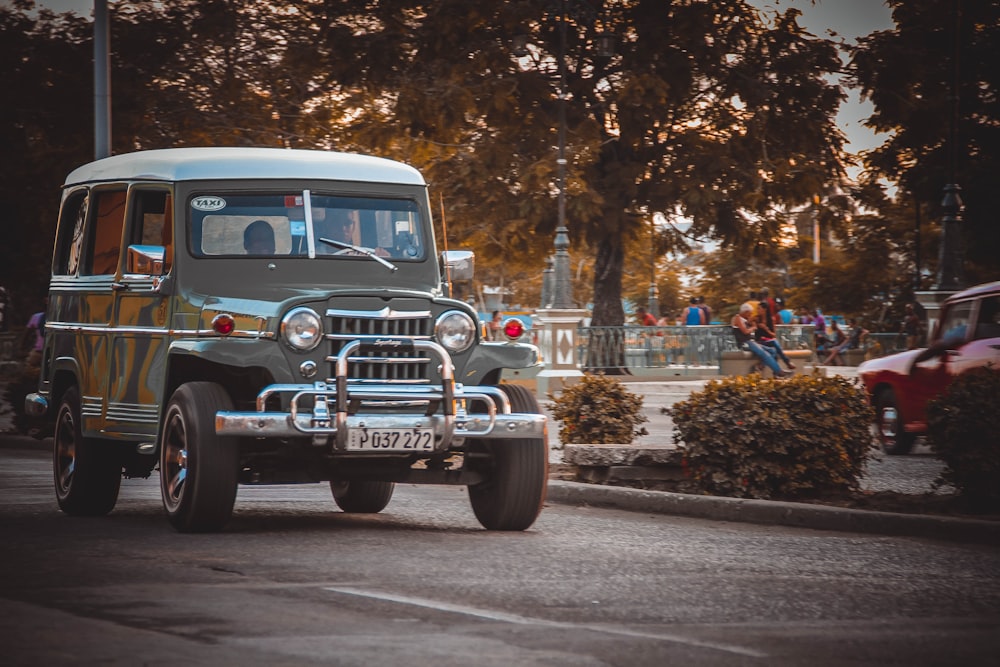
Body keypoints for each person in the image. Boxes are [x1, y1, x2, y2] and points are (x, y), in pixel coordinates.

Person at [731, 303, 791, 378]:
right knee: (765, 354)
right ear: (745, 312)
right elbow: (745, 331)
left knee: (773, 351)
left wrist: (752, 323)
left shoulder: (745, 319)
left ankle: (759, 367)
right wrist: (753, 327)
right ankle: (778, 371)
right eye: (750, 313)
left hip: (751, 341)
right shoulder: (737, 318)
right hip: (745, 342)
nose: (751, 314)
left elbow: (750, 325)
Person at [754, 292, 796, 370]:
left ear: (765, 310)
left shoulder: (771, 319)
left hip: (768, 341)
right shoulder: (756, 319)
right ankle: (787, 362)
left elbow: (773, 335)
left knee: (774, 346)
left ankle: (766, 367)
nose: (757, 310)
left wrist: (766, 329)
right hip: (760, 341)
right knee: (774, 344)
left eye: (759, 309)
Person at [22, 298, 47, 367]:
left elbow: (26, 333)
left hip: (44, 351)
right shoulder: (37, 317)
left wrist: (22, 345)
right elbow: (27, 333)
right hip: (39, 351)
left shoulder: (37, 317)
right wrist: (23, 345)